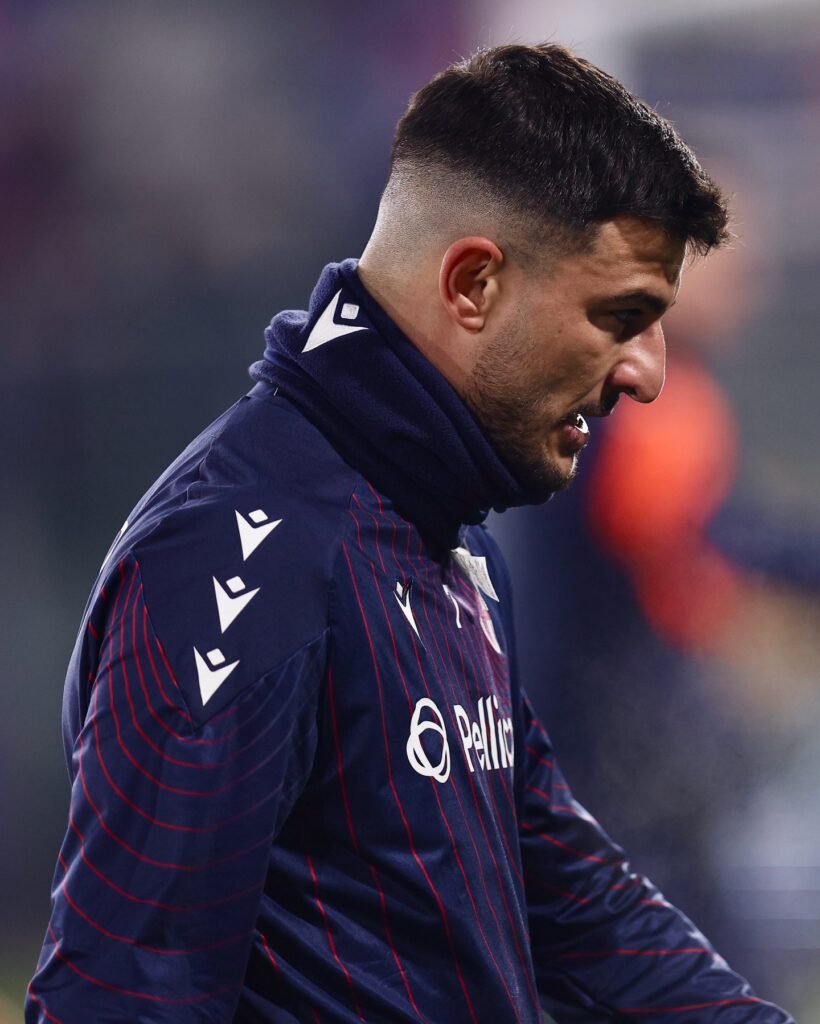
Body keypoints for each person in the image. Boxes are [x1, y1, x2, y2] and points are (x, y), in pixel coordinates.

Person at [26, 43, 794, 1023]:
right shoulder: (236, 556)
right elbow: (124, 995)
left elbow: (565, 895)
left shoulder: (448, 537)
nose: (647, 373)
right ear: (473, 284)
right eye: (621, 316)